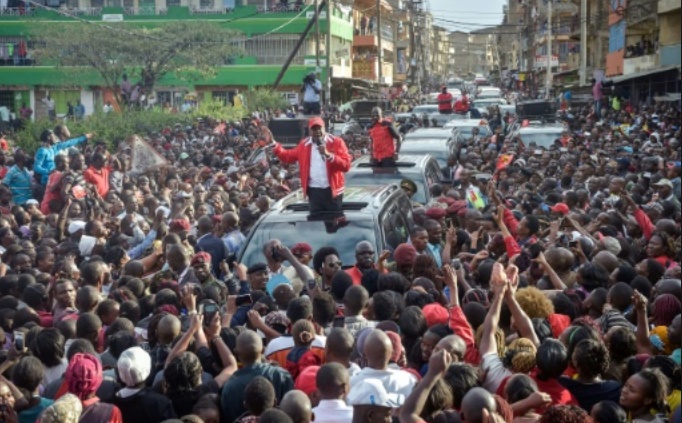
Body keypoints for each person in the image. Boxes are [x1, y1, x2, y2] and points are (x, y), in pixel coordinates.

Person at [270, 117, 351, 217]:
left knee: (333, 225)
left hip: (333, 192)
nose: (317, 132)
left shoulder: (337, 142)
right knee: (315, 225)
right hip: (314, 192)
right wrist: (274, 145)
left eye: (319, 128)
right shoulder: (304, 144)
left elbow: (346, 165)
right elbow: (288, 156)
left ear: (324, 128)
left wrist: (329, 155)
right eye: (314, 129)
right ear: (309, 131)